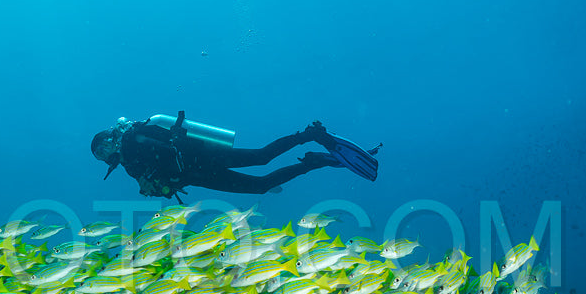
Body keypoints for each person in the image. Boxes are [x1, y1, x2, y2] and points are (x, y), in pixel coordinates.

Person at [90, 111, 379, 199]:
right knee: (261, 185)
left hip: (202, 157)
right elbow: (159, 184)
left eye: (102, 149)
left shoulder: (133, 137)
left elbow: (168, 142)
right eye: (100, 157)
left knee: (261, 156)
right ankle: (313, 162)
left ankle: (309, 134)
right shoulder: (128, 164)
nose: (105, 157)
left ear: (109, 139)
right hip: (196, 176)